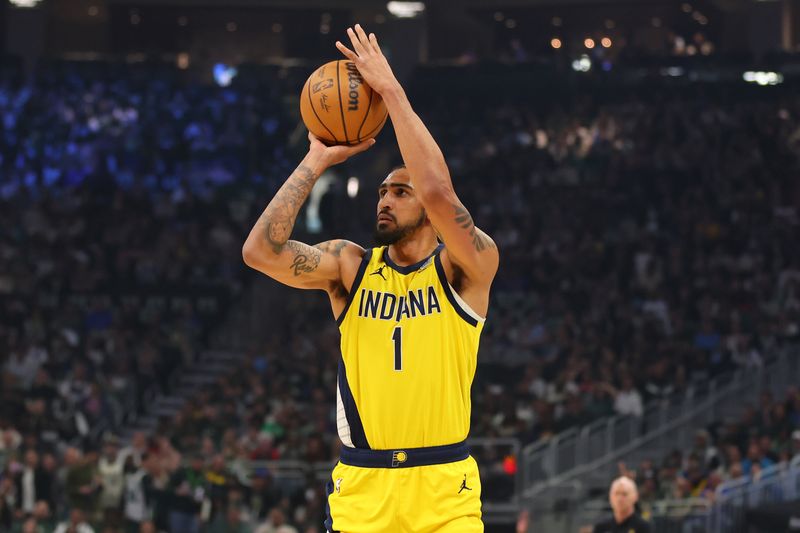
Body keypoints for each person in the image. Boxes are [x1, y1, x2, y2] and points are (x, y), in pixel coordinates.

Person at [243, 23, 499, 533]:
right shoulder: (349, 266)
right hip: (363, 486)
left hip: (443, 486)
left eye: (399, 192)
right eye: (382, 191)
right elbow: (259, 252)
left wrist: (391, 91)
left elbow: (441, 193)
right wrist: (315, 160)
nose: (384, 199)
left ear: (425, 207)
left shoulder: (466, 266)